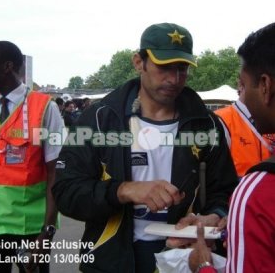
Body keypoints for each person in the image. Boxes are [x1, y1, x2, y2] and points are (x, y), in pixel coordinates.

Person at [52, 22, 238, 273]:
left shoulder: (208, 126)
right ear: (139, 62)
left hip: (184, 260)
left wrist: (213, 217)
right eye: (164, 67)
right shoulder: (99, 120)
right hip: (111, 260)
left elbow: (226, 192)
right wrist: (124, 190)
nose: (174, 79)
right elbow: (66, 192)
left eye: (182, 69)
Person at [183, 22, 275, 273]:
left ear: (265, 86)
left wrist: (202, 265)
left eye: (246, 83)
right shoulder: (223, 120)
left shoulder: (256, 193)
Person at [0, 41, 63, 273]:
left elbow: (55, 172)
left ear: (7, 66)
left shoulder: (45, 108)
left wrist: (47, 231)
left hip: (29, 228)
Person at [215, 80, 274, 178]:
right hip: (237, 190)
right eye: (260, 82)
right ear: (241, 85)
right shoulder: (220, 119)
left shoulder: (269, 118)